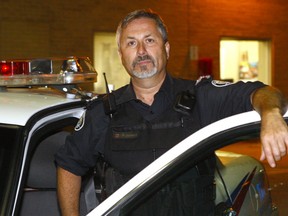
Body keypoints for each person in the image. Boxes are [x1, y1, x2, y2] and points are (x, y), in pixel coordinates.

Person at [55, 9, 288, 216]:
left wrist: (271, 114)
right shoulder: (103, 113)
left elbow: (262, 92)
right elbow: (68, 165)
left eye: (149, 40)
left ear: (166, 48)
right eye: (131, 43)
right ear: (121, 55)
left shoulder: (201, 97)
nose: (142, 51)